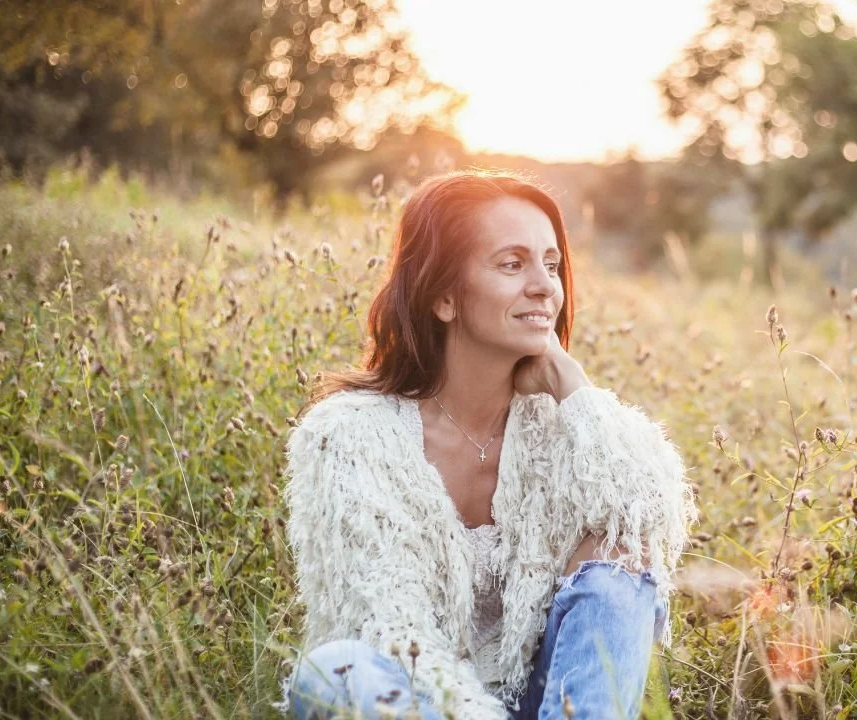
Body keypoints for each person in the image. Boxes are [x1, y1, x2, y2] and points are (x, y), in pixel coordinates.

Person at [278, 170, 697, 719]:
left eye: (551, 264)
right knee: (336, 670)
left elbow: (650, 520)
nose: (546, 286)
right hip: (416, 704)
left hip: (553, 704)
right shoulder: (350, 436)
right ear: (445, 297)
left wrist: (572, 386)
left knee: (622, 558)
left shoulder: (561, 427)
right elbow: (392, 634)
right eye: (512, 263)